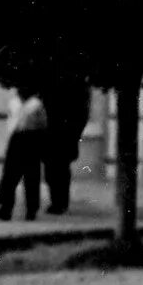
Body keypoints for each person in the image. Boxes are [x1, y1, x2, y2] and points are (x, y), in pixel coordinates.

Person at [0, 93, 49, 221]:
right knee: (9, 176)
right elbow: (10, 120)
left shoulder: (36, 105)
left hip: (31, 138)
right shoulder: (14, 102)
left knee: (31, 177)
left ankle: (31, 210)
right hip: (16, 138)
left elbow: (43, 124)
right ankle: (5, 209)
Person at [42, 85, 90, 215]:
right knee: (52, 171)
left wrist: (74, 134)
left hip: (64, 136)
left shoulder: (76, 89)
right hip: (52, 135)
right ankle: (58, 202)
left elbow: (82, 114)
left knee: (60, 170)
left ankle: (60, 203)